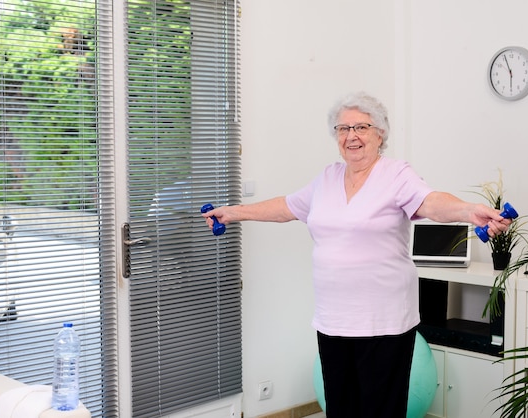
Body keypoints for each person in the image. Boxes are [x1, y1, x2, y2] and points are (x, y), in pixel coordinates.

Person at [201, 92, 510, 417]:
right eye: (343, 128)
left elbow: (431, 201)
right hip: (334, 320)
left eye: (361, 127)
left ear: (380, 133)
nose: (352, 136)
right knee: (341, 408)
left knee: (380, 410)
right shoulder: (327, 178)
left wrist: (469, 210)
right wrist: (233, 213)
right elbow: (285, 207)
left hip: (384, 322)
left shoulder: (396, 175)